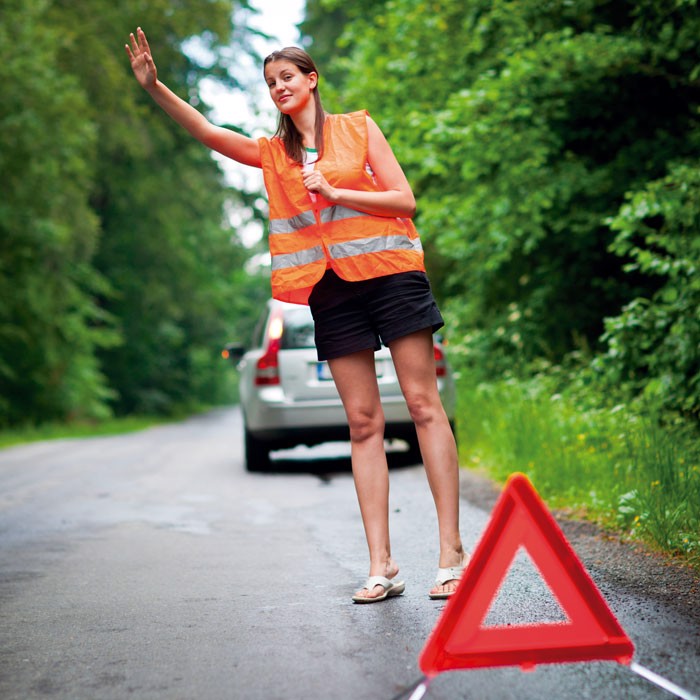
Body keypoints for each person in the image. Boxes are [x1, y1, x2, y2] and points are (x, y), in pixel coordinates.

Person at [126, 28, 468, 602]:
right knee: (362, 424)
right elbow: (209, 132)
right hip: (331, 291)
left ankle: (451, 552)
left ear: (311, 80)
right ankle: (382, 564)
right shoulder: (273, 154)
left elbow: (404, 200)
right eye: (269, 83)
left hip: (392, 274)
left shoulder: (358, 127)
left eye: (286, 77)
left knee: (422, 405)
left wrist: (337, 190)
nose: (278, 87)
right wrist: (156, 86)